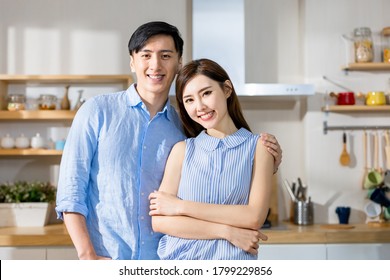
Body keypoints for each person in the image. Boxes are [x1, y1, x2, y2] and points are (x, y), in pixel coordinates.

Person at [55, 21, 282, 260]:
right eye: (146, 55)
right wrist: (87, 255)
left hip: (164, 260)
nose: (155, 65)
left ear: (178, 62)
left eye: (165, 55)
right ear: (132, 61)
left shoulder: (185, 126)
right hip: (106, 257)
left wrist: (267, 162)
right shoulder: (96, 111)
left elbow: (219, 163)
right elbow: (71, 190)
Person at [149, 58, 274, 260]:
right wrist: (228, 231)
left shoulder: (260, 147)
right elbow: (160, 222)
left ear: (226, 89)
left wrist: (180, 207)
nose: (200, 107)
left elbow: (254, 217)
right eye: (189, 100)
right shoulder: (181, 151)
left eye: (206, 93)